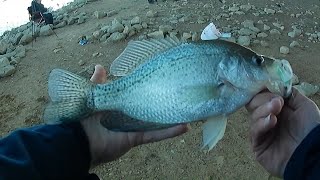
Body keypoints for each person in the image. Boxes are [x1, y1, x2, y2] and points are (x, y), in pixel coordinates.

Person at [0, 65, 320, 179]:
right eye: (254, 61)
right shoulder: (228, 88)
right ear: (229, 68)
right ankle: (91, 100)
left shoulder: (233, 91)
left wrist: (308, 156)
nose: (262, 66)